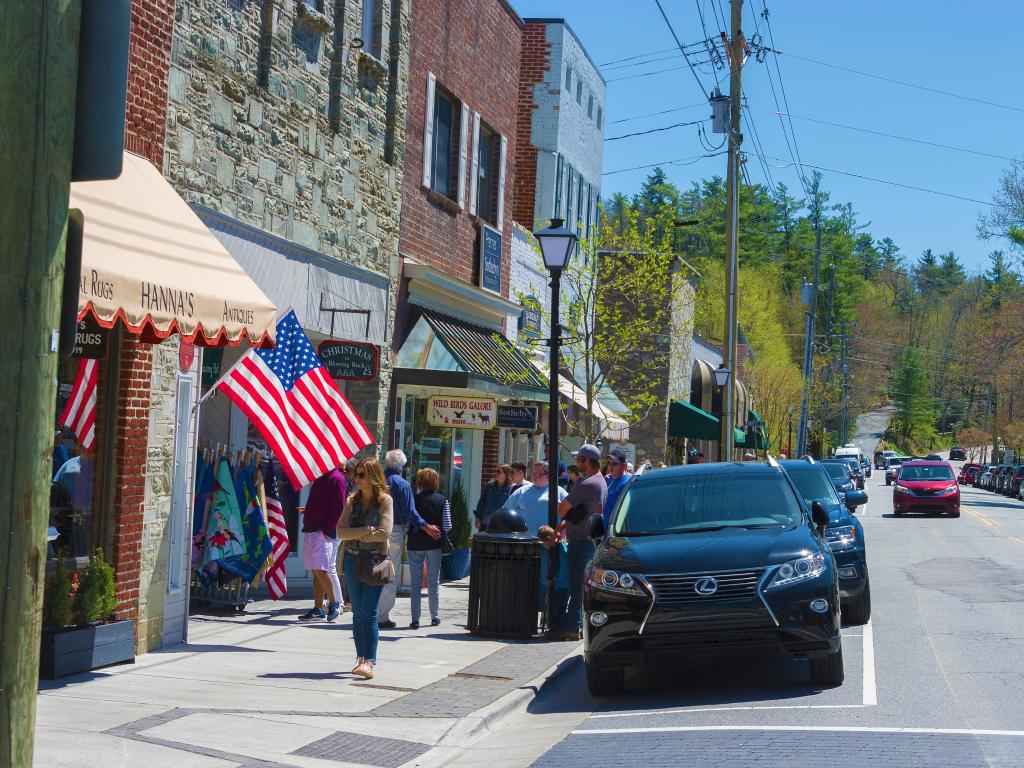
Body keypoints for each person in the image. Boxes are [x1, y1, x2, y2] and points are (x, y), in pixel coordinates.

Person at [337, 458, 394, 679]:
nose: (356, 479)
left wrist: (358, 532)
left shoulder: (384, 501)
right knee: (357, 613)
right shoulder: (352, 501)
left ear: (373, 476)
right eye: (355, 475)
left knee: (369, 612)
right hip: (352, 559)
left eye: (361, 475)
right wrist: (365, 530)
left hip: (374, 562)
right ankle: (360, 658)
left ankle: (369, 661)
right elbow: (340, 532)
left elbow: (385, 532)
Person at [379, 449, 438, 629]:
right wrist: (426, 526)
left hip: (372, 530)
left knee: (375, 570)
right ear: (401, 466)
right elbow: (410, 512)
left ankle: (371, 611)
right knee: (390, 572)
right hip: (393, 530)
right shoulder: (401, 484)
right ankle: (382, 616)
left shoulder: (377, 481)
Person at [555, 443, 607, 641]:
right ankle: (574, 625)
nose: (577, 463)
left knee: (576, 584)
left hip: (580, 541)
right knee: (581, 585)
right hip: (589, 540)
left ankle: (571, 626)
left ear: (587, 461)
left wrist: (568, 515)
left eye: (579, 460)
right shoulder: (601, 482)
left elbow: (561, 509)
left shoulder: (587, 484)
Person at [298, 465, 347, 622]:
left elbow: (339, 508)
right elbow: (322, 503)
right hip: (313, 529)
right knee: (316, 570)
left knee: (321, 569)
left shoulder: (337, 479)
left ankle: (334, 603)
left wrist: (327, 529)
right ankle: (318, 607)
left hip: (322, 531)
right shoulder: (321, 477)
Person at [407, 468, 452, 629]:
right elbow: (447, 525)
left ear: (419, 483)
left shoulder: (413, 500)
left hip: (415, 543)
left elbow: (408, 521)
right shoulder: (442, 500)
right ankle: (434, 616)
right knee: (433, 581)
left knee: (416, 583)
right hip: (434, 544)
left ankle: (415, 619)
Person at [501, 461, 568, 535]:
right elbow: (504, 513)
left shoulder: (559, 492)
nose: (535, 476)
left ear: (548, 475)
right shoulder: (521, 491)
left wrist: (561, 533)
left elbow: (570, 517)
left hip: (550, 541)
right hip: (524, 541)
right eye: (533, 473)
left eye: (539, 474)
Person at [537, 524, 569, 626]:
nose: (543, 545)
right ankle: (550, 623)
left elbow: (555, 566)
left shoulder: (555, 549)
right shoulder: (563, 546)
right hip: (562, 582)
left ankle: (556, 627)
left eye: (543, 543)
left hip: (558, 582)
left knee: (556, 607)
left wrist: (550, 578)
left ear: (548, 540)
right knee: (556, 605)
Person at [473, 464, 512, 531]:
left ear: (506, 474)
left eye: (498, 471)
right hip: (485, 523)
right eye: (496, 471)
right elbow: (481, 503)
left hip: (501, 524)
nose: (496, 473)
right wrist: (477, 519)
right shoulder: (490, 486)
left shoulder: (511, 488)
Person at [603, 448, 632, 527]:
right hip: (607, 531)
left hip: (617, 532)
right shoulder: (612, 481)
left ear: (624, 465)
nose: (610, 466)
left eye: (614, 463)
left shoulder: (628, 483)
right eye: (609, 463)